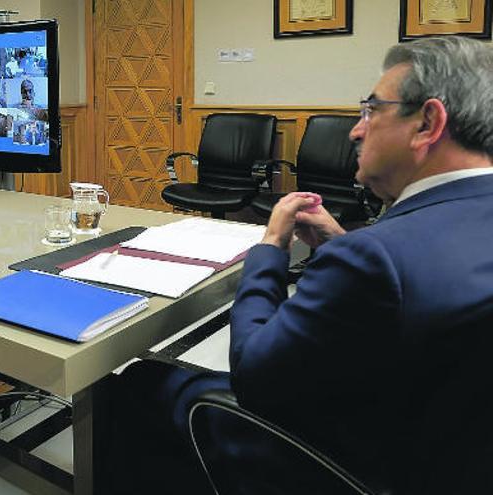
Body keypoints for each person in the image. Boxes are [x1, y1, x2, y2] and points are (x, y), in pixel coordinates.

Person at [103, 36, 493, 495]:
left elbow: (253, 375)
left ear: (427, 123)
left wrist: (271, 245)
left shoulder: (373, 257)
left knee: (135, 383)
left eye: (371, 110)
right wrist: (341, 242)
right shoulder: (393, 247)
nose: (355, 130)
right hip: (449, 451)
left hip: (362, 463)